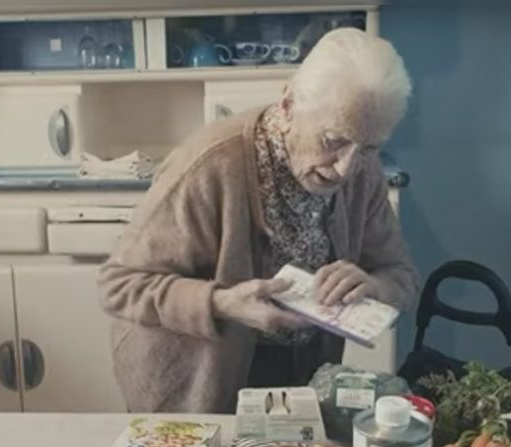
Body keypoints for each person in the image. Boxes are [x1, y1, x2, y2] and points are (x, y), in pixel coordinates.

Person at [98, 27, 418, 413]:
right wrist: (221, 302)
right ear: (287, 105)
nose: (346, 168)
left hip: (298, 377)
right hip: (193, 383)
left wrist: (372, 285)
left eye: (369, 147)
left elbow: (400, 277)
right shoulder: (209, 164)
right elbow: (120, 285)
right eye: (333, 140)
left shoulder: (363, 172)